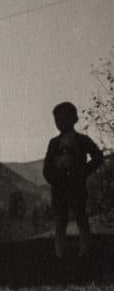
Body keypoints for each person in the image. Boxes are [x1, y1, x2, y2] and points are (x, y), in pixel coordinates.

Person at [43, 102, 103, 259]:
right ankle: (60, 255)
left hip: (77, 187)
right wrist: (56, 181)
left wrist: (83, 172)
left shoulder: (83, 140)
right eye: (56, 119)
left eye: (61, 118)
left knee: (81, 218)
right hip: (59, 189)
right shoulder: (53, 143)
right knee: (60, 222)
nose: (58, 123)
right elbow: (46, 169)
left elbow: (98, 157)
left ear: (72, 119)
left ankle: (85, 253)